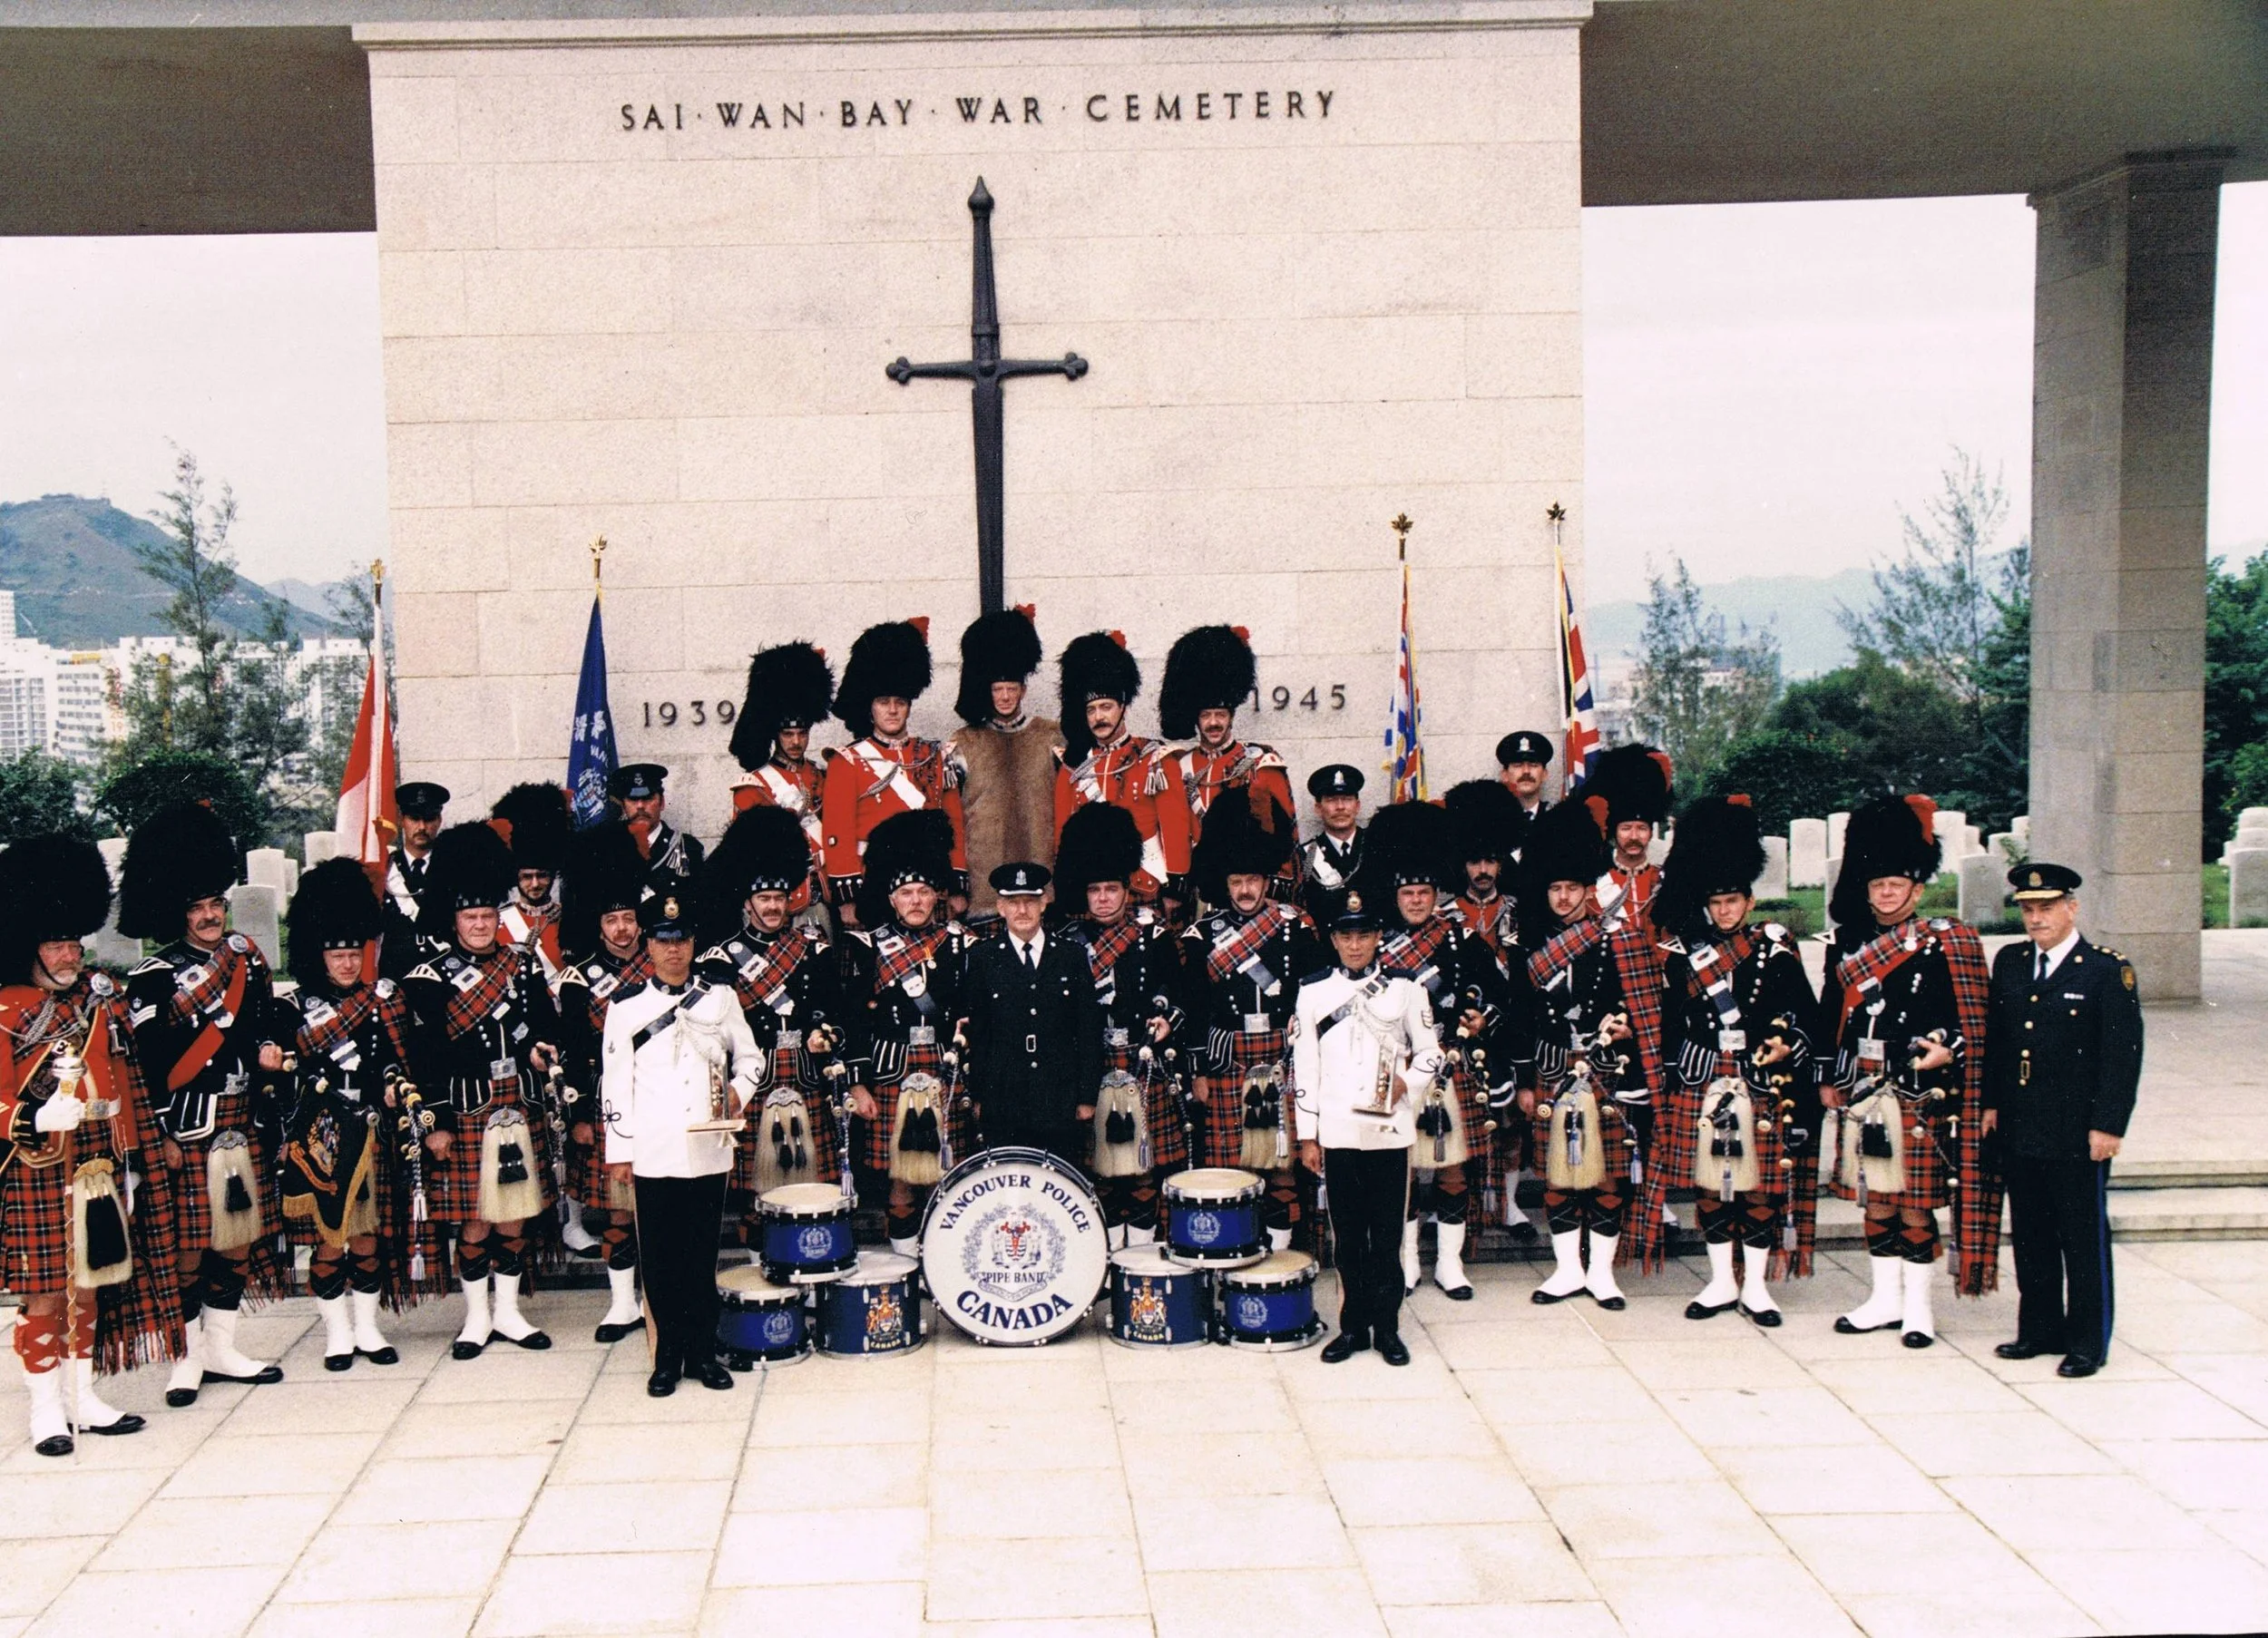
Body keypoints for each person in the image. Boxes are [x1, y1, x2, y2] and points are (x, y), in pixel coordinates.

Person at [0, 835, 182, 1458]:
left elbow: (130, 1079)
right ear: (28, 946)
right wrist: (31, 1113)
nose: (70, 953)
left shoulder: (100, 997)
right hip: (38, 1166)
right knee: (45, 1291)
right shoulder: (4, 1011)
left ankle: (85, 1398)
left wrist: (142, 1148)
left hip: (101, 1165)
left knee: (91, 1284)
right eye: (56, 943)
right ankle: (46, 1411)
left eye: (75, 941)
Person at [119, 801, 288, 1408]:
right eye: (197, 908)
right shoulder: (153, 976)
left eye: (216, 904)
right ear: (177, 912)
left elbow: (264, 1025)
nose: (212, 915)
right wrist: (158, 1132)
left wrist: (271, 1051)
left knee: (236, 1238)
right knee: (189, 1246)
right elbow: (148, 1065)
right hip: (187, 1128)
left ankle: (223, 1346)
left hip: (241, 1120)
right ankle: (188, 1357)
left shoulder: (245, 960)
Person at [1823, 795, 1997, 1348]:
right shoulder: (1848, 944)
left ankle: (1919, 1309)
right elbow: (1833, 1016)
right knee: (1876, 1200)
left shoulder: (1947, 942)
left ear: (1917, 889)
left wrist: (1951, 1049)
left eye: (1898, 884)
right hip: (1867, 1088)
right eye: (1878, 885)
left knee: (1916, 1204)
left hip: (1920, 1090)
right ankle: (1883, 1299)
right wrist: (1830, 1076)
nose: (1887, 892)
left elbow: (1976, 1018)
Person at [1645, 796, 1822, 1326]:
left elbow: (1803, 1012)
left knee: (1760, 1186)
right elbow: (1672, 1020)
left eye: (1733, 901)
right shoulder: (1684, 953)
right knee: (1711, 1184)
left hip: (1759, 1078)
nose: (1725, 910)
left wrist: (1788, 1040)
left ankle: (1758, 1288)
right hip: (1704, 1077)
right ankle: (1722, 1282)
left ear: (1749, 899)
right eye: (1717, 902)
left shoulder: (1774, 945)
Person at [402, 821, 564, 1361]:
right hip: (465, 1109)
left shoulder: (520, 964)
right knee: (474, 1218)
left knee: (514, 1214)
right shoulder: (430, 976)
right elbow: (423, 1057)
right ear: (454, 920)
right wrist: (438, 1123)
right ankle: (476, 1319)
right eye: (470, 917)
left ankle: (511, 1314)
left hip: (517, 1102)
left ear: (499, 916)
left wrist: (542, 1048)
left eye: (488, 916)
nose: (479, 924)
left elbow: (544, 1023)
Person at [601, 884, 761, 1397]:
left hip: (708, 1149)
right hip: (653, 1151)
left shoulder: (720, 997)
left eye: (683, 939)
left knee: (700, 1256)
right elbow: (614, 1082)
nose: (674, 950)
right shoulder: (626, 1006)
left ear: (694, 944)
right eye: (664, 940)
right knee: (662, 1262)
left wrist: (736, 1095)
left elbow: (751, 1059)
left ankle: (702, 1351)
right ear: (648, 945)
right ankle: (666, 1356)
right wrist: (620, 1152)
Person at [1984, 863, 2143, 1379]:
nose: (2036, 918)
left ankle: (2088, 1341)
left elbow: (2122, 1055)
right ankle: (2039, 1329)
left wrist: (2109, 1125)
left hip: (2078, 1130)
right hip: (2021, 1124)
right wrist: (1990, 1104)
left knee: (2082, 1237)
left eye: (2046, 908)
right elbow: (1999, 1044)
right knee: (2031, 1233)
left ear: (2071, 908)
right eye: (2028, 910)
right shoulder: (2009, 963)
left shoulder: (2103, 970)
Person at [278, 859, 425, 1370]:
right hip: (322, 1135)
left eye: (352, 954)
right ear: (319, 954)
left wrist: (390, 1087)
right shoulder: (294, 1008)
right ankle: (336, 1333)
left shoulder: (380, 1000)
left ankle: (367, 1328)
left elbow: (394, 1058)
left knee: (368, 1237)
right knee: (328, 1239)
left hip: (372, 1129)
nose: (345, 964)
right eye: (337, 955)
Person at [1365, 801, 1512, 1300]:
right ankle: (1406, 1264)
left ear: (1435, 893)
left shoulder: (1460, 939)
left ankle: (1450, 1265)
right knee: (1400, 1171)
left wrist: (1481, 1016)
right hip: (1396, 1068)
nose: (1416, 901)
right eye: (1408, 893)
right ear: (1396, 894)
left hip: (1450, 1065)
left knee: (1451, 1169)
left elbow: (1498, 994)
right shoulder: (1376, 945)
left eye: (1424, 892)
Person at [1293, 886, 1445, 1367]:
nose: (1355, 945)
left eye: (1363, 935)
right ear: (1334, 940)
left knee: (1388, 1239)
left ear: (1378, 936)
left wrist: (1408, 1083)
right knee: (1348, 1240)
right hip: (1338, 1134)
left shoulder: (1406, 988)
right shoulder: (1313, 992)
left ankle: (1389, 1329)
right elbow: (1306, 1066)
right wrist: (1307, 1135)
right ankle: (1352, 1328)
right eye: (1345, 936)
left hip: (1389, 1132)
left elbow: (1431, 1052)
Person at [696, 806, 849, 1251]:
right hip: (755, 1076)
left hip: (802, 1074)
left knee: (805, 1177)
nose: (773, 907)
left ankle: (801, 1257)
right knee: (753, 1191)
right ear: (748, 902)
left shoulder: (812, 948)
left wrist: (825, 1031)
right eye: (764, 900)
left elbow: (830, 1007)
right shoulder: (721, 956)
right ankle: (760, 1265)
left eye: (780, 899)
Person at [1179, 794, 1320, 1251]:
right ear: (1226, 883)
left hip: (1281, 1056)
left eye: (1253, 881)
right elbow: (1195, 1008)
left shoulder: (1295, 926)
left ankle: (1278, 1253)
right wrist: (1198, 1070)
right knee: (1235, 1166)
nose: (1245, 891)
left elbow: (1310, 996)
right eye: (1237, 881)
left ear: (1266, 881)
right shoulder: (1203, 936)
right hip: (1227, 1062)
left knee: (1281, 1163)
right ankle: (1239, 1247)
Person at [1516, 797, 1638, 1308]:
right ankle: (1567, 1270)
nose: (1563, 898)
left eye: (1572, 889)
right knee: (1558, 1175)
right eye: (1555, 888)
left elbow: (1642, 1008)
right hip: (1550, 1068)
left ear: (1589, 890)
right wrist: (1523, 1080)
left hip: (1605, 1069)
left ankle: (1602, 1274)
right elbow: (1520, 1016)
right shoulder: (1532, 944)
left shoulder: (1616, 940)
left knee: (1606, 1173)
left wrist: (1624, 1025)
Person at [837, 810, 974, 1252]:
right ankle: (904, 1260)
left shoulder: (961, 942)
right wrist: (858, 1085)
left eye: (922, 892)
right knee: (900, 1173)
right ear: (891, 898)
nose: (915, 901)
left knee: (944, 1167)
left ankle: (941, 1260)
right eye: (904, 893)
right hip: (891, 1069)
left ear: (937, 895)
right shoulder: (866, 946)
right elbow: (853, 1019)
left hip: (944, 1066)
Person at [1055, 803, 1188, 1246]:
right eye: (1095, 890)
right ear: (1085, 893)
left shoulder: (1152, 935)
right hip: (1092, 1062)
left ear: (1127, 890)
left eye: (1112, 889)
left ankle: (1144, 1260)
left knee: (1144, 1167)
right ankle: (1111, 1259)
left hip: (1142, 1058)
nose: (1104, 899)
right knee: (1105, 1170)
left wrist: (1167, 1017)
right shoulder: (1069, 943)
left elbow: (1178, 987)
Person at [555, 821, 654, 1332]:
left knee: (658, 1211)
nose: (621, 928)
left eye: (629, 919)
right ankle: (621, 1303)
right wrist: (577, 1117)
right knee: (618, 1212)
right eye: (612, 920)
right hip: (605, 1106)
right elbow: (572, 1053)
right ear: (599, 926)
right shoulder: (578, 980)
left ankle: (658, 1301)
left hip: (659, 1103)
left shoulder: (663, 970)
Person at [821, 619, 968, 927]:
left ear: (909, 706)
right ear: (870, 707)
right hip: (873, 884)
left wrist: (956, 884)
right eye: (883, 702)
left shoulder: (934, 755)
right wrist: (848, 897)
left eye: (899, 702)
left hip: (928, 888)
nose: (892, 710)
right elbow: (838, 831)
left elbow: (953, 822)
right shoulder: (847, 761)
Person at [961, 863, 1104, 1158]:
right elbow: (980, 1033)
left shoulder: (1071, 956)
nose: (1022, 910)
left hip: (1059, 1096)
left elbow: (1088, 1030)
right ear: (1000, 907)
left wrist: (1087, 1096)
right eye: (1013, 902)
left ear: (1044, 904)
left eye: (1030, 901)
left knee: (1061, 1184)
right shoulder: (982, 958)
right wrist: (978, 1095)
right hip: (1003, 1096)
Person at [1158, 624, 1295, 903]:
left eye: (1220, 714)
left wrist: (1279, 883)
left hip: (1248, 887)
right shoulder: (1179, 765)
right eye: (1206, 715)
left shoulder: (1259, 762)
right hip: (1198, 889)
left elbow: (1283, 830)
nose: (1213, 723)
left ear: (1231, 716)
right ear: (1196, 719)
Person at [1053, 629, 1186, 905]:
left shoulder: (1154, 758)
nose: (1099, 716)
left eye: (1106, 707)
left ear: (1123, 707)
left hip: (1146, 887)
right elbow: (1062, 833)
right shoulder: (1074, 765)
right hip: (1092, 893)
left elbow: (1174, 828)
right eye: (1091, 710)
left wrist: (1175, 887)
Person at [948, 606, 1063, 922]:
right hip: (985, 885)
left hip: (1043, 882)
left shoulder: (1051, 737)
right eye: (998, 689)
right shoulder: (964, 742)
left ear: (1023, 690)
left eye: (1011, 688)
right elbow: (952, 815)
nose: (1004, 697)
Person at [727, 640, 836, 877]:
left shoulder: (823, 775)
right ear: (775, 734)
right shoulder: (754, 785)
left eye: (802, 733)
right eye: (788, 734)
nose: (796, 742)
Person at [1587, 744, 1672, 937]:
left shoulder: (1665, 881)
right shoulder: (1597, 882)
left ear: (1651, 832)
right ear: (1614, 831)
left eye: (1641, 828)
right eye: (1626, 828)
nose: (1634, 837)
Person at [493, 783, 572, 988]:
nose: (535, 884)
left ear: (553, 875)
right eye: (527, 877)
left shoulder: (572, 919)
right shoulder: (497, 922)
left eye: (542, 875)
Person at [1442, 779, 1524, 965]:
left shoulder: (1520, 911)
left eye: (1490, 861)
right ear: (1463, 866)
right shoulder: (1445, 915)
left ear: (1501, 865)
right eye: (1474, 862)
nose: (1483, 870)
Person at [382, 780, 450, 977]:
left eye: (429, 819)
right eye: (414, 818)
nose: (422, 827)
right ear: (402, 820)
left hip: (444, 975)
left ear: (439, 821)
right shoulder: (385, 869)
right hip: (396, 976)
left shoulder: (454, 868)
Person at [612, 764, 705, 889]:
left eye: (648, 798)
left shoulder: (688, 848)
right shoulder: (609, 850)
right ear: (623, 807)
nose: (640, 806)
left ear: (662, 803)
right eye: (633, 800)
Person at [1295, 765, 1367, 923]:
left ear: (1358, 806)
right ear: (1318, 808)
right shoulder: (1306, 856)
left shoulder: (1377, 845)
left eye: (1347, 799)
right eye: (1331, 800)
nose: (1340, 807)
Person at [1495, 731, 1555, 831]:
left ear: (1544, 774)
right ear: (1504, 775)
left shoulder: (1557, 819)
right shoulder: (1494, 821)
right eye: (1518, 765)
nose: (1526, 771)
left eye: (1533, 765)